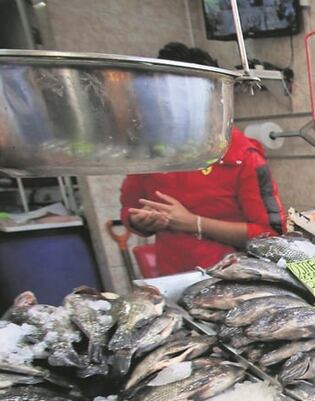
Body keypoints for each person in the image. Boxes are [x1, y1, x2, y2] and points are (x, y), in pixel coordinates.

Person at [121, 43, 284, 276]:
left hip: (236, 280)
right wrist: (139, 221)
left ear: (213, 98)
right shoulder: (152, 155)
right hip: (174, 280)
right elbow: (129, 210)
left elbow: (271, 234)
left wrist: (192, 223)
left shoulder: (243, 156)